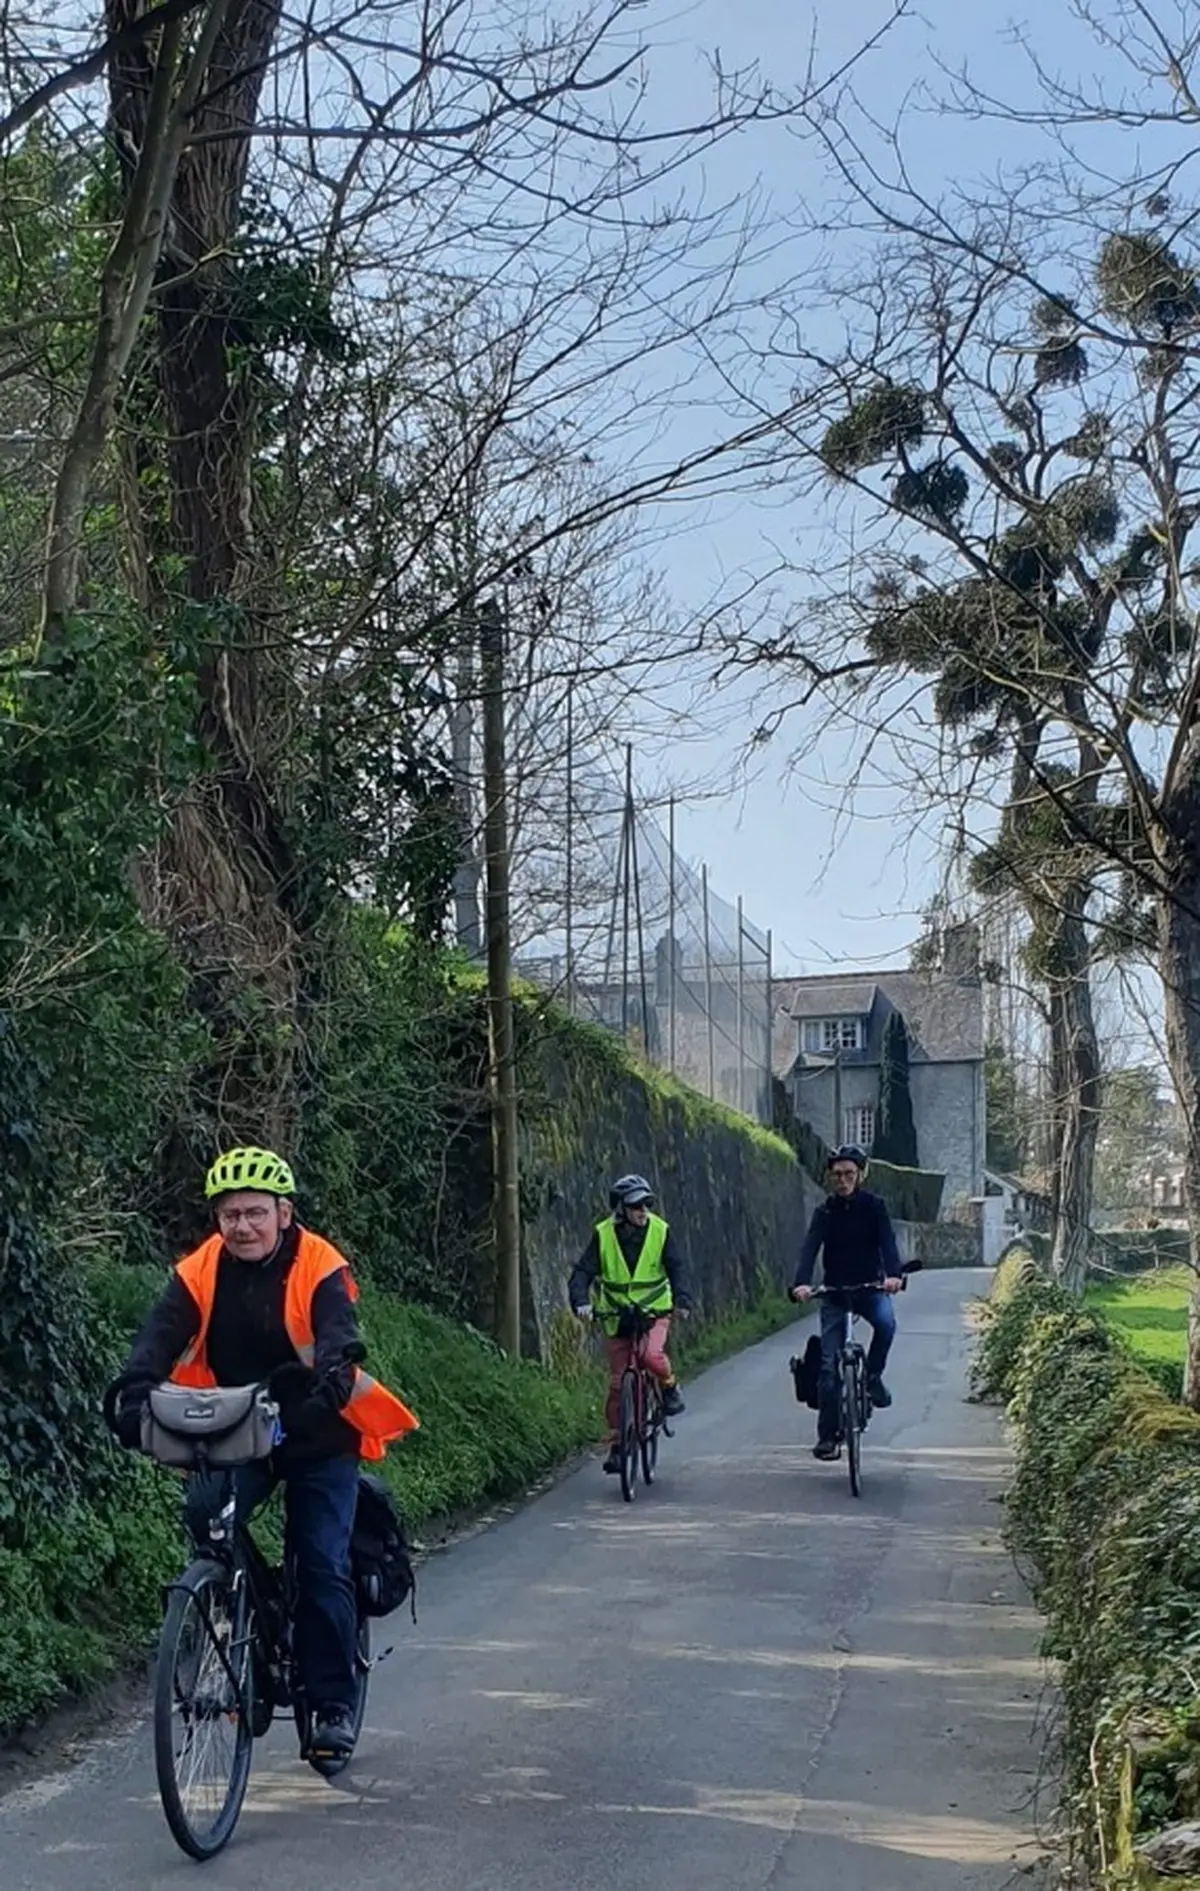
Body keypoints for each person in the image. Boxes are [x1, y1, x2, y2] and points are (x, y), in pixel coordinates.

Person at [104, 1146, 418, 1759]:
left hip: (316, 1430)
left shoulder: (319, 1263)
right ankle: (244, 1599)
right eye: (229, 1215)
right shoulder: (201, 1270)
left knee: (322, 1563)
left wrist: (330, 1381)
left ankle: (330, 1705)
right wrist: (134, 1389)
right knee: (205, 1515)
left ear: (283, 1212)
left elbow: (337, 1333)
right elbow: (158, 1337)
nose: (241, 1226)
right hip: (238, 1427)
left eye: (254, 1212)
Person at [569, 1174, 691, 1475]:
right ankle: (618, 1444)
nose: (643, 1211)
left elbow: (677, 1268)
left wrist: (682, 1301)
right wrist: (581, 1302)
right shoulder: (604, 1235)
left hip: (654, 1311)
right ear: (622, 1208)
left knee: (650, 1356)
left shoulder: (660, 1231)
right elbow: (583, 1272)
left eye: (647, 1204)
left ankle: (669, 1387)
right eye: (637, 1205)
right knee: (616, 1384)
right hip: (617, 1315)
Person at [790, 1144, 903, 1461]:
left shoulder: (875, 1207)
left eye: (849, 1174)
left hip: (870, 1288)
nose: (843, 1180)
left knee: (886, 1324)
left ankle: (873, 1378)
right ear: (831, 1177)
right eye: (837, 1174)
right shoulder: (825, 1211)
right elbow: (810, 1247)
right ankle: (827, 1437)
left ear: (860, 1175)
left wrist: (893, 1275)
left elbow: (888, 1243)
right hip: (835, 1294)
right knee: (828, 1368)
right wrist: (801, 1282)